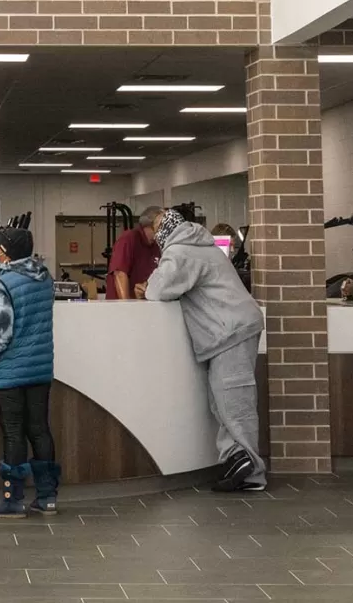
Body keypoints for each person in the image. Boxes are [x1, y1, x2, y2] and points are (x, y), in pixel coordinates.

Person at [144, 205, 266, 492]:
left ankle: (252, 473)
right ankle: (239, 464)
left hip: (230, 331)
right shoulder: (200, 243)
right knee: (226, 401)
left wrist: (149, 281)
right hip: (233, 329)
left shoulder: (181, 252)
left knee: (234, 402)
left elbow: (157, 289)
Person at [0, 228, 60, 518]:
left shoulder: (5, 284)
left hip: (10, 369)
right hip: (40, 368)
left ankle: (13, 499)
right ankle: (47, 498)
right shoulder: (45, 278)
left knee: (13, 433)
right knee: (40, 429)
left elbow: (0, 333)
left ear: (7, 252)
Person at [107, 206, 164, 300]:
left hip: (144, 305)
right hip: (121, 309)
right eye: (161, 226)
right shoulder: (129, 238)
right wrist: (127, 306)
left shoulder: (158, 245)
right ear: (149, 225)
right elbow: (120, 273)